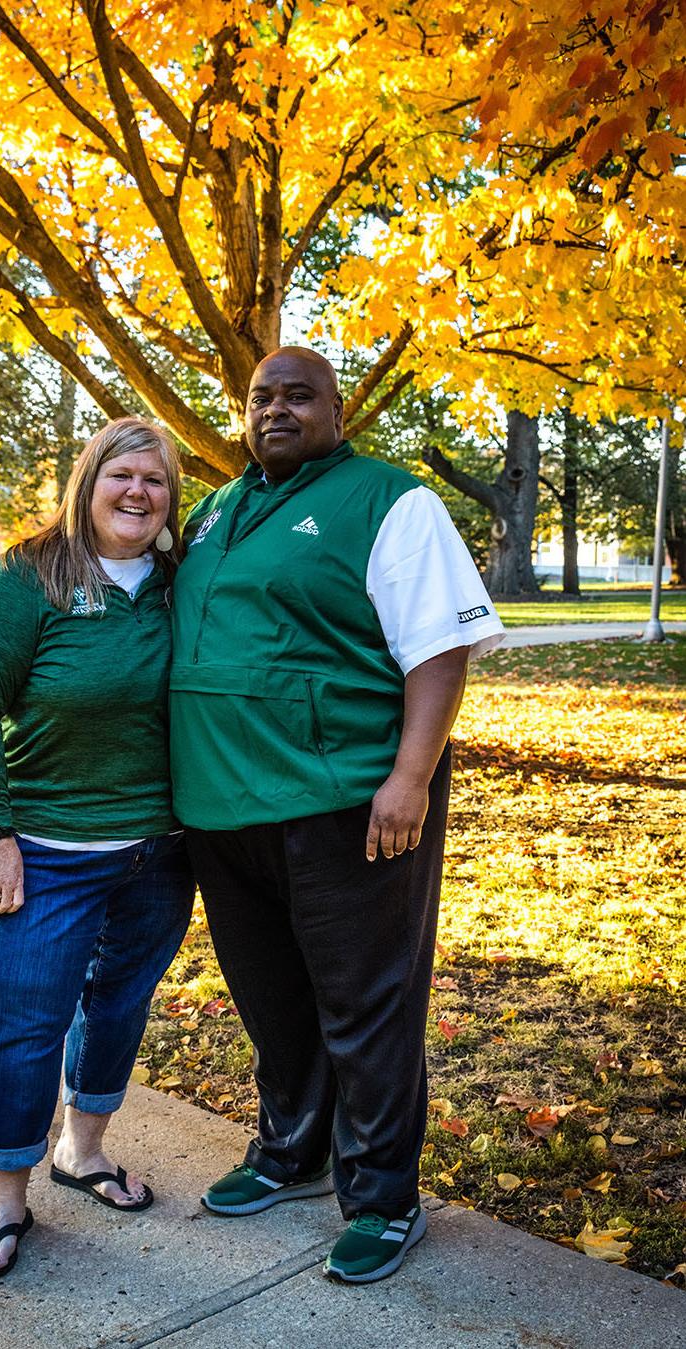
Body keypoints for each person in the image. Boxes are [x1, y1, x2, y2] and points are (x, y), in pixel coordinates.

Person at [169, 348, 504, 1284]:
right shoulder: (216, 513)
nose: (276, 409)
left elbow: (439, 649)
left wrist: (412, 775)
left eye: (298, 395)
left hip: (347, 803)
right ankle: (290, 1151)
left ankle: (385, 1197)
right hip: (221, 805)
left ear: (337, 407)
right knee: (272, 997)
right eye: (260, 396)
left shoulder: (388, 501)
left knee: (367, 1003)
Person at [0, 417, 194, 1281]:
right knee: (25, 1025)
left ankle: (83, 1152)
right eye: (122, 474)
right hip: (39, 853)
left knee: (117, 1005)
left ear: (171, 498)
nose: (137, 493)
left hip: (155, 854)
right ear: (88, 480)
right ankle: (5, 1194)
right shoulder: (30, 576)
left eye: (155, 480)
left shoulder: (177, 583)